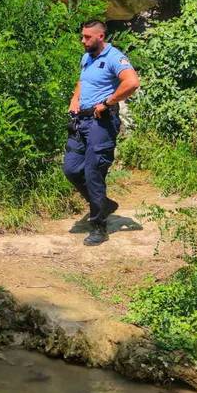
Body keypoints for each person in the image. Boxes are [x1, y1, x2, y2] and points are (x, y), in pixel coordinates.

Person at [63, 20, 140, 246]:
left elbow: (132, 83)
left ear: (100, 36)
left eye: (87, 37)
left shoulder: (114, 58)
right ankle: (104, 204)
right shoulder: (87, 57)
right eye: (82, 36)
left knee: (93, 173)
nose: (83, 40)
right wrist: (74, 99)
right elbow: (82, 81)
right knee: (71, 168)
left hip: (101, 123)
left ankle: (99, 226)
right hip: (81, 121)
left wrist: (108, 102)